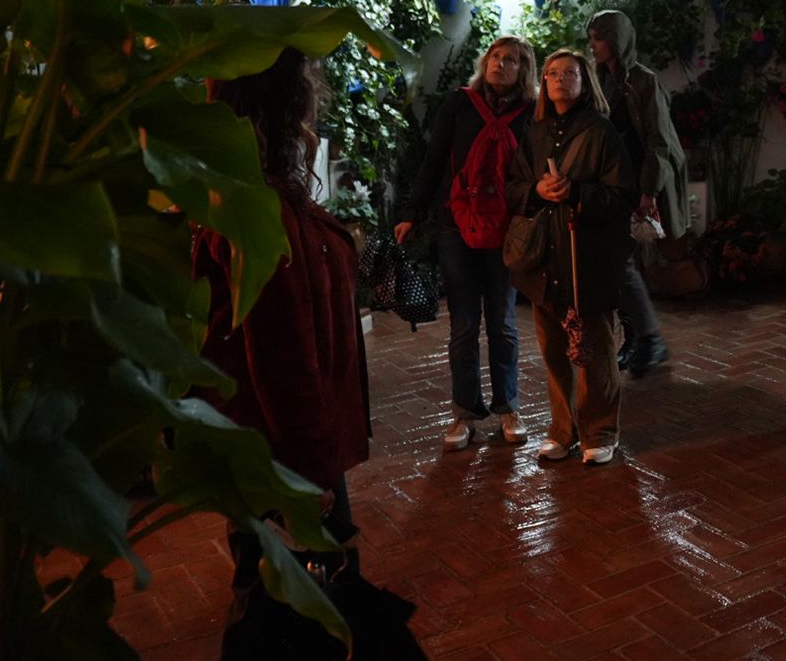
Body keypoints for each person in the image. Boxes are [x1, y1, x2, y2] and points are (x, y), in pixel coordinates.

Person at [193, 48, 371, 634]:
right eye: (308, 92)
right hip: (283, 445)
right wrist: (307, 475)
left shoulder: (263, 194)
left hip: (284, 440)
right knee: (282, 608)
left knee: (287, 595)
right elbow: (279, 355)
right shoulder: (256, 209)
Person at [395, 36, 538, 451]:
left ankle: (508, 408)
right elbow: (435, 158)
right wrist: (411, 212)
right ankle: (464, 413)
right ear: (485, 62)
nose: (500, 65)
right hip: (456, 226)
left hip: (506, 230)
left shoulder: (532, 112)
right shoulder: (460, 103)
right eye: (496, 57)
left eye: (511, 60)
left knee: (503, 323)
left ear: (523, 71)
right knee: (463, 325)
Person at [506, 49, 634, 465]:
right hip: (545, 257)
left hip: (587, 257)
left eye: (570, 73)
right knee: (554, 351)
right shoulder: (534, 132)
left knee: (594, 348)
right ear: (543, 82)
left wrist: (577, 193)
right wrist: (537, 191)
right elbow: (513, 187)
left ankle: (600, 431)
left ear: (585, 81)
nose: (560, 79)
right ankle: (563, 430)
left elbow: (623, 196)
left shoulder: (601, 132)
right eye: (552, 73)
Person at [585, 9, 689, 378]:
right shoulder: (597, 77)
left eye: (598, 38)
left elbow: (659, 140)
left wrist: (649, 191)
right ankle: (638, 339)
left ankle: (648, 338)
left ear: (616, 40)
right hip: (611, 184)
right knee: (619, 263)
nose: (592, 46)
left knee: (621, 262)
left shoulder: (643, 81)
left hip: (637, 182)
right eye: (591, 38)